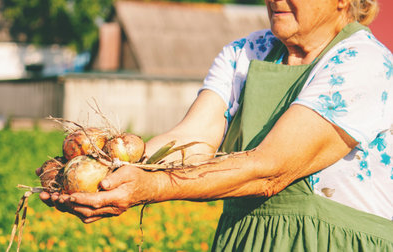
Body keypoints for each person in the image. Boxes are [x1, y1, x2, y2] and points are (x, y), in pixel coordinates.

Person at [38, 0, 393, 250]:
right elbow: (192, 140)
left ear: (343, 1)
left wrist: (152, 187)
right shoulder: (247, 51)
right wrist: (111, 167)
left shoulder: (363, 63)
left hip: (331, 243)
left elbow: (270, 171)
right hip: (244, 239)